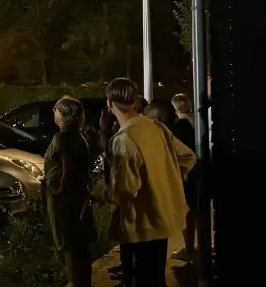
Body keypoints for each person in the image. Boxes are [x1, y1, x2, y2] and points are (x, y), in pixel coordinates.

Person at [98, 78, 196, 287]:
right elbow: (188, 156)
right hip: (160, 221)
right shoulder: (156, 127)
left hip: (139, 227)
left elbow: (124, 190)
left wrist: (100, 194)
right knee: (155, 279)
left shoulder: (124, 140)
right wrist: (165, 179)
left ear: (109, 103)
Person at [45, 96, 97, 287]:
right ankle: (83, 281)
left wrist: (59, 190)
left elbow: (68, 166)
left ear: (63, 114)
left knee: (70, 244)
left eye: (56, 110)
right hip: (79, 194)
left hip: (66, 198)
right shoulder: (78, 135)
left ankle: (75, 282)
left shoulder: (62, 137)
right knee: (80, 244)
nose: (54, 113)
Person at [170, 94, 197, 262]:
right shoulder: (196, 122)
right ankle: (196, 245)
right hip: (198, 171)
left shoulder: (179, 126)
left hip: (187, 174)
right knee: (196, 210)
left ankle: (188, 248)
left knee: (186, 211)